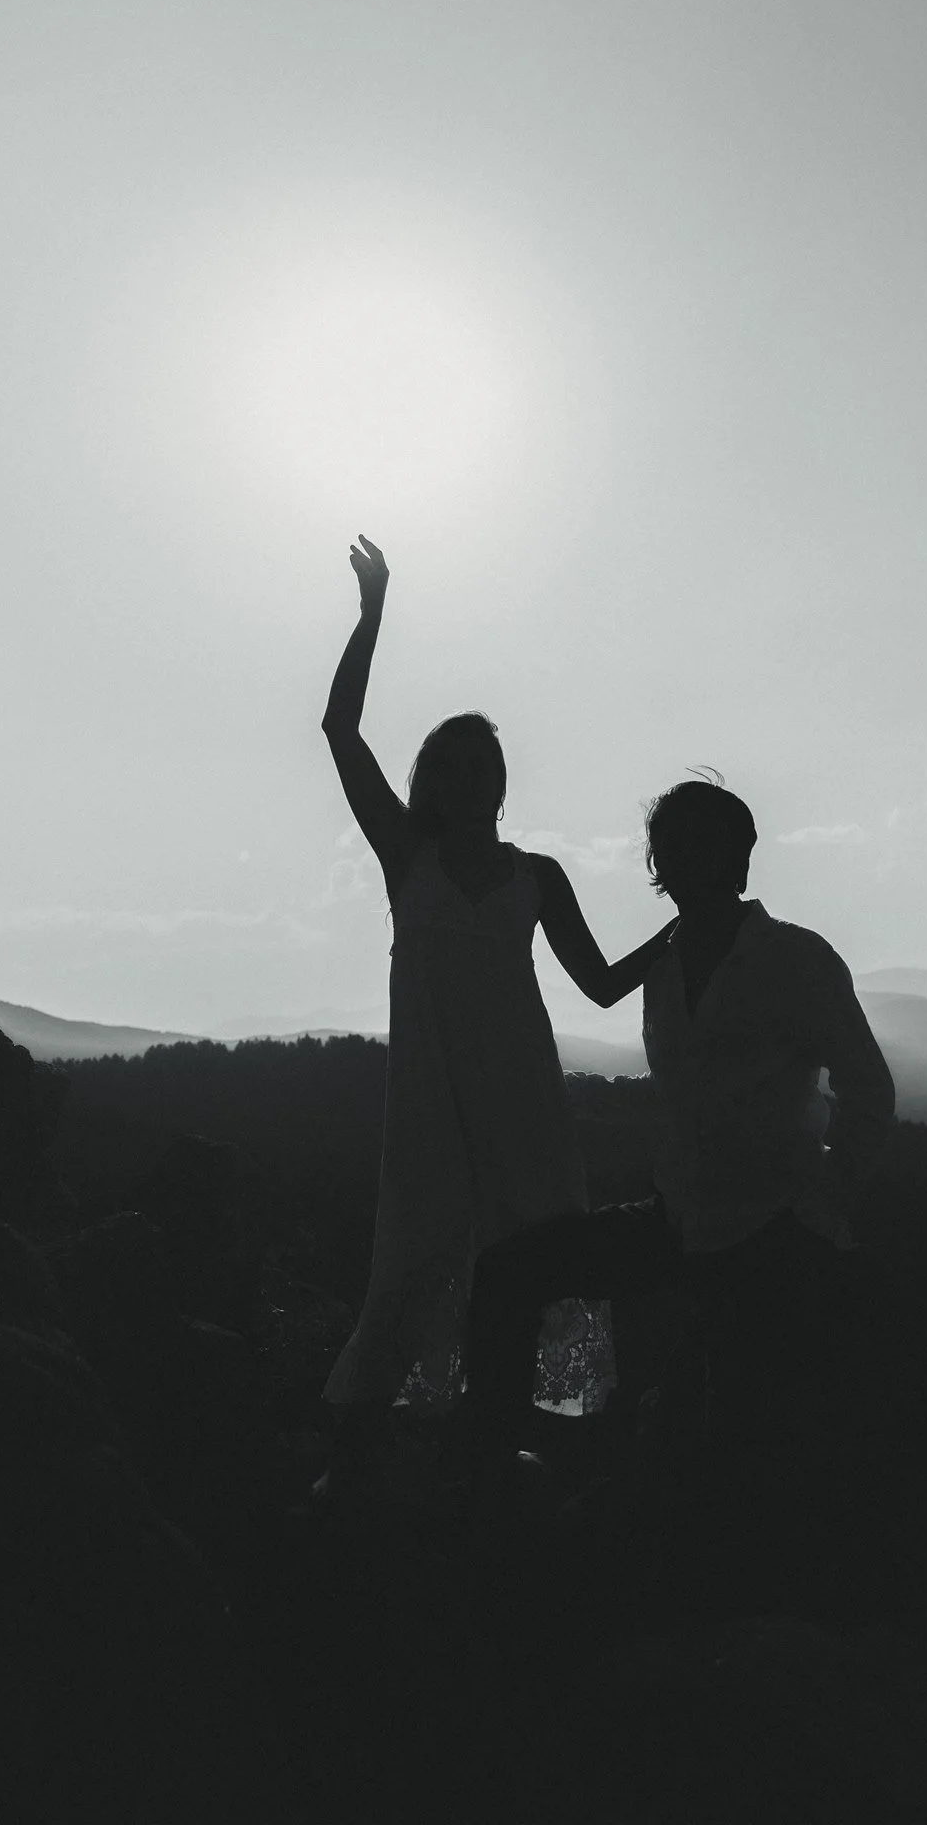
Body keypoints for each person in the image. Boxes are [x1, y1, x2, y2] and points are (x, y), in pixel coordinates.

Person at [318, 536, 676, 1455]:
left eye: (484, 764)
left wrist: (682, 928)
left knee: (527, 1264)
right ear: (431, 783)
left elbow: (601, 985)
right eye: (454, 765)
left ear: (501, 781)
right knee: (411, 1263)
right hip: (430, 1101)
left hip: (522, 1100)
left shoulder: (538, 877)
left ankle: (502, 1454)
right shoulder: (409, 857)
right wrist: (371, 615)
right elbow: (339, 731)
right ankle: (360, 1461)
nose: (471, 777)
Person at [464, 776, 896, 1470]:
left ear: (736, 857)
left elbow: (868, 1092)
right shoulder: (663, 968)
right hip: (679, 1219)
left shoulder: (795, 958)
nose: (682, 861)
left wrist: (815, 1216)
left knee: (715, 1443)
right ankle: (497, 1466)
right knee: (508, 1272)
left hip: (767, 1232)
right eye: (670, 847)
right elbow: (685, 1094)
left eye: (699, 846)